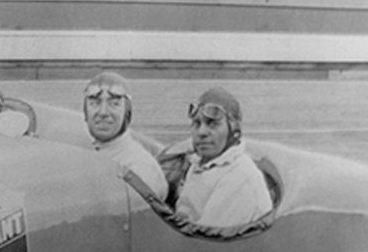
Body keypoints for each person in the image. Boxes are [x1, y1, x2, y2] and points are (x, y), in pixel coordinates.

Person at [172, 87, 273, 228]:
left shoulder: (238, 176)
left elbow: (204, 243)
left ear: (233, 131)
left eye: (212, 124)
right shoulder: (201, 162)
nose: (201, 132)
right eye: (196, 123)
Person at [82, 71, 168, 202]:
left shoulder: (140, 167)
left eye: (114, 104)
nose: (103, 112)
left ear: (127, 113)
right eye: (95, 103)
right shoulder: (88, 154)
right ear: (85, 112)